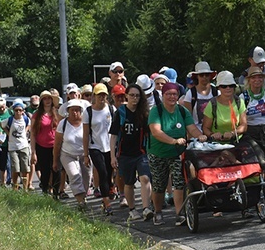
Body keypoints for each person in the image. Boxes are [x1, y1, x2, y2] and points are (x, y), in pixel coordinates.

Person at [148, 81, 207, 226]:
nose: (171, 97)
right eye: (168, 94)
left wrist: (200, 136)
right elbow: (156, 132)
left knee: (179, 182)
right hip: (158, 153)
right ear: (163, 95)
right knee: (159, 185)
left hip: (177, 154)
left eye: (174, 94)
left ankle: (179, 213)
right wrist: (173, 141)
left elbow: (191, 128)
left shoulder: (182, 111)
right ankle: (158, 211)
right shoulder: (156, 111)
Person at [110, 83, 154, 222]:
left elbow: (149, 133)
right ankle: (132, 209)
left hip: (141, 152)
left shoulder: (144, 113)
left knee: (145, 178)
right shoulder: (121, 113)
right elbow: (114, 136)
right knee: (128, 183)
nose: (135, 98)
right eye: (132, 95)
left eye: (137, 96)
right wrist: (113, 156)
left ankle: (146, 208)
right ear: (127, 96)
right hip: (125, 154)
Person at [53, 99, 91, 212]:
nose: (75, 113)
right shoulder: (63, 124)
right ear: (68, 111)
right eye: (72, 110)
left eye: (77, 110)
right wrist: (55, 161)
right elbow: (57, 143)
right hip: (67, 155)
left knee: (87, 178)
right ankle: (81, 202)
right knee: (74, 175)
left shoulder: (86, 123)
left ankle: (83, 197)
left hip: (85, 154)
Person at [83, 83, 115, 215]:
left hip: (109, 147)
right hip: (95, 146)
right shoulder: (88, 112)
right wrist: (85, 154)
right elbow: (85, 134)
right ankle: (107, 203)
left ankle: (106, 194)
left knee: (108, 173)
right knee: (102, 172)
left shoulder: (111, 109)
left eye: (104, 95)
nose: (102, 97)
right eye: (99, 95)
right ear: (94, 96)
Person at [202, 70, 247, 142]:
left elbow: (244, 125)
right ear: (218, 88)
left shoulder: (239, 102)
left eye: (231, 86)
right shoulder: (212, 104)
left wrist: (233, 133)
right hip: (216, 145)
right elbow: (205, 128)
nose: (228, 88)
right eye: (224, 86)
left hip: (236, 143)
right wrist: (212, 134)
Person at [30, 90, 60, 196]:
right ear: (42, 101)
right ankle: (45, 193)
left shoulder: (56, 114)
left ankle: (56, 194)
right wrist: (33, 152)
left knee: (56, 170)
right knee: (45, 171)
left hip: (55, 146)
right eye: (45, 99)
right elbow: (33, 134)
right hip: (41, 146)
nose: (47, 101)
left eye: (49, 98)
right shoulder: (36, 115)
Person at [2, 100, 30, 191]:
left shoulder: (25, 119)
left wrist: (25, 131)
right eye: (16, 110)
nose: (18, 112)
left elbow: (29, 124)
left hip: (23, 145)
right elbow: (2, 124)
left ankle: (25, 188)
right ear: (13, 110)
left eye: (20, 110)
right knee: (16, 168)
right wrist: (8, 133)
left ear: (23, 111)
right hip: (13, 146)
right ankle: (15, 186)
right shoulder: (10, 119)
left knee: (25, 168)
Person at [183, 61, 217, 131]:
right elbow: (188, 118)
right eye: (201, 75)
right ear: (197, 77)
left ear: (210, 76)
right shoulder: (190, 93)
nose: (204, 77)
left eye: (207, 75)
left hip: (215, 133)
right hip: (196, 132)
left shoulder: (216, 92)